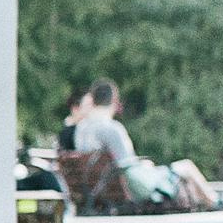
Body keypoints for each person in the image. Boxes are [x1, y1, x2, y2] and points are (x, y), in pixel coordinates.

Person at [71, 78, 214, 211]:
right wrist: (144, 165)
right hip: (133, 188)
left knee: (177, 177)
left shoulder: (80, 128)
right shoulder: (112, 128)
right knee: (186, 167)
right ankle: (216, 203)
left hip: (101, 189)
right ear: (114, 99)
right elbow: (128, 167)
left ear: (94, 100)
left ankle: (208, 205)